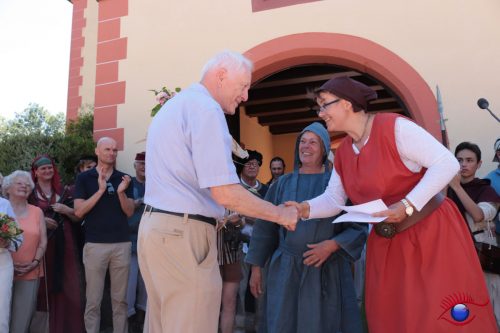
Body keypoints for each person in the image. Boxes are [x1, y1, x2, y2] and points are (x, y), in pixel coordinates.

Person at [288, 76, 497, 332]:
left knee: (438, 317)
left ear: (345, 103)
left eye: (324, 105)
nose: (321, 113)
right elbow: (333, 199)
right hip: (387, 245)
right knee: (393, 318)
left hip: (432, 236)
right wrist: (303, 208)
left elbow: (446, 163)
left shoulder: (394, 128)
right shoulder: (343, 152)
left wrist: (407, 205)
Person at [139, 50, 298, 333]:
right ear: (221, 76)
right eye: (244, 86)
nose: (246, 96)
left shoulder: (174, 108)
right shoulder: (206, 109)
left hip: (156, 230)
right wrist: (280, 214)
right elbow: (225, 193)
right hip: (184, 235)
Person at [246, 122, 366, 332]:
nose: (306, 147)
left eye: (313, 142)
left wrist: (333, 245)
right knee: (284, 323)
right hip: (286, 270)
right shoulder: (281, 184)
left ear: (324, 149)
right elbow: (265, 229)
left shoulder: (337, 184)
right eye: (302, 141)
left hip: (326, 269)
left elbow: (358, 225)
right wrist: (256, 268)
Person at [74, 137, 134, 333]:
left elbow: (129, 212)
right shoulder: (84, 178)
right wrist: (100, 190)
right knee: (93, 300)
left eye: (115, 150)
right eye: (107, 149)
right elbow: (79, 211)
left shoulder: (125, 179)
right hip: (95, 245)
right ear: (97, 151)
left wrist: (121, 193)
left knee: (120, 300)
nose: (112, 153)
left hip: (121, 244)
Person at [29, 155, 85, 333]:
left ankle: (69, 327)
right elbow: (22, 215)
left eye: (50, 168)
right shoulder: (30, 192)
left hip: (65, 241)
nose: (47, 171)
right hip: (42, 244)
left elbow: (78, 216)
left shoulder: (65, 191)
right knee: (44, 285)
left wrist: (66, 210)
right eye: (43, 169)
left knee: (69, 282)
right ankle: (46, 328)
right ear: (35, 172)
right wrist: (41, 220)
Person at [447, 142, 500, 327]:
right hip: (452, 258)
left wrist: (458, 188)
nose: (463, 164)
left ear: (479, 164)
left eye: (469, 160)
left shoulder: (487, 190)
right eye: (459, 160)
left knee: (490, 306)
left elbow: (479, 215)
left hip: (481, 258)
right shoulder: (445, 190)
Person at [4, 171, 47, 333]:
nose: (25, 186)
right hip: (3, 270)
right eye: (19, 183)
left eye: (28, 184)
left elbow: (43, 241)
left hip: (30, 272)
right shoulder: (2, 209)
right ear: (7, 188)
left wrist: (35, 263)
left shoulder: (37, 212)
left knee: (21, 321)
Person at [126, 152, 147, 331]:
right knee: (129, 283)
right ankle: (130, 320)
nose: (144, 166)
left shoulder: (157, 183)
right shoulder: (127, 183)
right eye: (140, 163)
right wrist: (136, 203)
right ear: (135, 165)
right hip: (130, 241)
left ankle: (143, 319)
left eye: (147, 164)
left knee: (147, 283)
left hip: (151, 242)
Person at [0, 196, 22, 332]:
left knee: (1, 311)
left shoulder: (4, 204)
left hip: (2, 264)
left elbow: (18, 238)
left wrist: (7, 242)